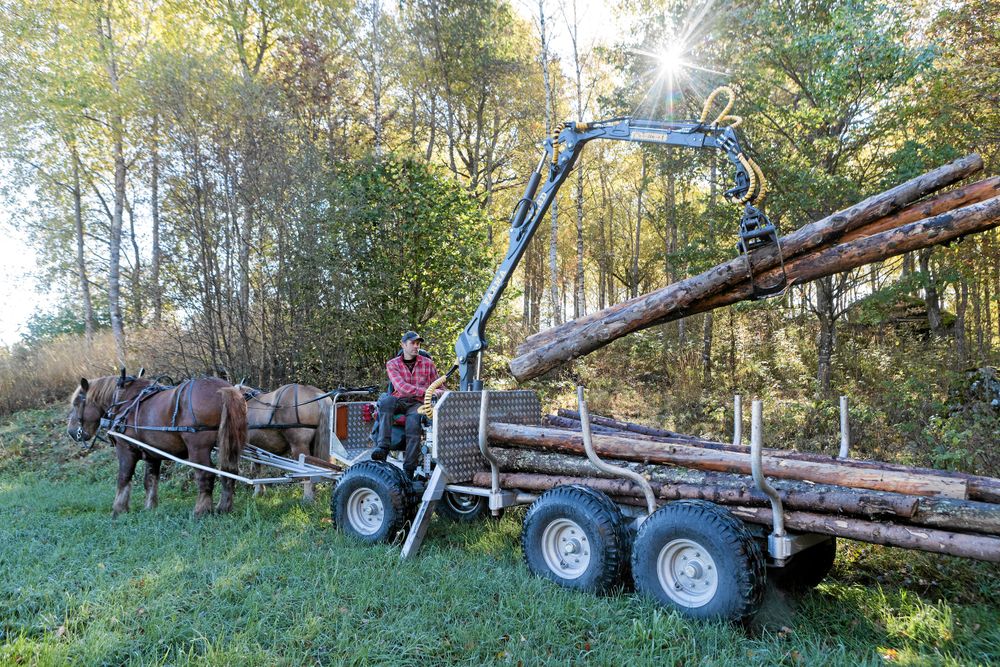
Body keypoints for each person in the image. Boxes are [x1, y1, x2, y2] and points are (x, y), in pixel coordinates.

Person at [371, 330, 441, 478]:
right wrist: (427, 391)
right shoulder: (392, 364)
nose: (416, 346)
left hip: (418, 403)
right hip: (399, 399)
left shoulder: (428, 363)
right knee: (386, 401)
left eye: (418, 343)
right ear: (403, 344)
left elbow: (439, 386)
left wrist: (439, 392)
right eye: (412, 343)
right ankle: (382, 448)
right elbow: (401, 387)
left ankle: (409, 469)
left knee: (414, 422)